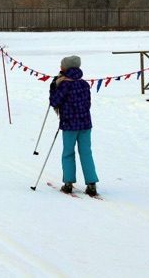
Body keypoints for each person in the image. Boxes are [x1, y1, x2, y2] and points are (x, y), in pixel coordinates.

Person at [49, 55, 99, 196]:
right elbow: (88, 103)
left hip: (69, 125)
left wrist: (53, 87)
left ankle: (68, 183)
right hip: (85, 124)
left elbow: (54, 102)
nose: (60, 67)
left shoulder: (64, 84)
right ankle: (91, 184)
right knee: (86, 153)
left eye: (62, 65)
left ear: (66, 68)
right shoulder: (84, 84)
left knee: (68, 153)